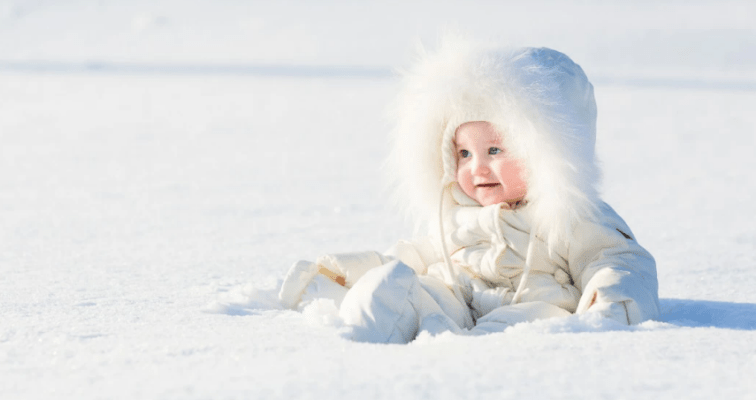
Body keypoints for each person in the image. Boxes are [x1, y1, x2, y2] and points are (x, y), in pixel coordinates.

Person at [279, 37, 660, 343]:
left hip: (531, 308)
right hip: (456, 299)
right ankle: (358, 349)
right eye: (463, 153)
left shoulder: (570, 214)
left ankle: (472, 369)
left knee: (522, 327)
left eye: (495, 150)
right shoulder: (457, 212)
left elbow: (617, 260)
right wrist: (355, 271)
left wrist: (610, 302)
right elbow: (418, 253)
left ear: (547, 154)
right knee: (394, 286)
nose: (476, 168)